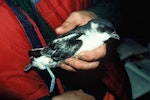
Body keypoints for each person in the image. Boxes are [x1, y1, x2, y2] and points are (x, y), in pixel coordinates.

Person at [0, 0, 132, 100]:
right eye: (106, 33)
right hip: (44, 69)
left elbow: (112, 4)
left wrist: (95, 13)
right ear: (94, 29)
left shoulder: (91, 37)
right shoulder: (79, 41)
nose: (112, 36)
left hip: (107, 87)